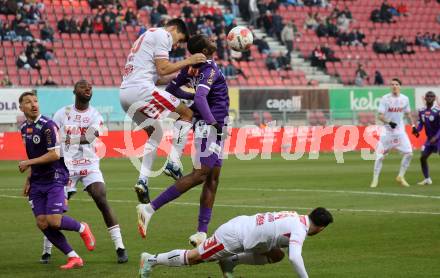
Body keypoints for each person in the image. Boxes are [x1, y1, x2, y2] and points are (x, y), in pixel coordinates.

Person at [136, 34, 230, 247]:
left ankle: (201, 233)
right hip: (211, 125)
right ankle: (149, 208)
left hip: (217, 124)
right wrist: (211, 120)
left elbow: (172, 91)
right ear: (204, 50)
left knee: (212, 179)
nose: (213, 39)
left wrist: (193, 100)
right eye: (209, 40)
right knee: (201, 174)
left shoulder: (193, 68)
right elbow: (199, 97)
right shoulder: (209, 69)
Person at [119, 18, 206, 204]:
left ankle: (142, 181)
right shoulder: (163, 34)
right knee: (186, 114)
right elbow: (163, 68)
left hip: (125, 94)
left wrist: (180, 77)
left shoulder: (146, 36)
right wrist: (188, 61)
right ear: (173, 28)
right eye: (179, 39)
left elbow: (158, 77)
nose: (176, 45)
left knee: (155, 132)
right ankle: (174, 162)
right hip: (140, 90)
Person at [49, 80, 128, 263]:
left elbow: (91, 137)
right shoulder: (63, 113)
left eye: (90, 87)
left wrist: (68, 138)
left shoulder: (95, 114)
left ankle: (120, 247)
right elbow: (51, 134)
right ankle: (47, 250)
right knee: (56, 208)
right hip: (65, 165)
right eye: (83, 86)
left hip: (89, 164)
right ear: (74, 90)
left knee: (101, 197)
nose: (87, 89)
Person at [18, 91, 95, 269]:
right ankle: (73, 257)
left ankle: (82, 228)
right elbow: (34, 154)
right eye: (28, 102)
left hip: (55, 177)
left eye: (35, 101)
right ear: (21, 107)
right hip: (37, 180)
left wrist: (27, 163)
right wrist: (29, 178)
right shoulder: (24, 129)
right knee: (42, 222)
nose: (33, 104)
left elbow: (54, 154)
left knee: (54, 221)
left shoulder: (48, 125)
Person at [139, 207, 333, 278]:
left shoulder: (296, 217)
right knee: (195, 257)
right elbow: (295, 257)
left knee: (276, 254)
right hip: (233, 236)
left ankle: (231, 261)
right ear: (321, 228)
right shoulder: (300, 229)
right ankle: (151, 260)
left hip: (244, 227)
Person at [370, 78, 416, 188]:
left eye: (396, 84)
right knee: (380, 156)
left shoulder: (405, 99)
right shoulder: (385, 99)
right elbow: (380, 116)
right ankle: (375, 180)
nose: (394, 86)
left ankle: (400, 176)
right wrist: (389, 122)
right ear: (390, 87)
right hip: (387, 132)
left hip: (400, 132)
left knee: (409, 153)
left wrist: (413, 126)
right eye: (392, 84)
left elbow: (408, 114)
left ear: (400, 86)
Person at [412, 91, 440, 185]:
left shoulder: (438, 111)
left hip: (438, 139)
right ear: (425, 98)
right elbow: (421, 123)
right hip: (429, 139)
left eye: (431, 96)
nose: (429, 97)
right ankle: (427, 179)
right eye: (428, 96)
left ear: (434, 98)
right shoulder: (422, 110)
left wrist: (436, 137)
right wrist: (417, 130)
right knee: (423, 157)